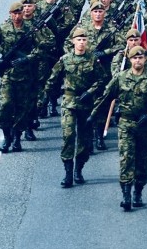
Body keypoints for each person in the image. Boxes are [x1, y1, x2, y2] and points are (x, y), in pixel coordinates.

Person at [90, 45, 147, 211]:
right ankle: (126, 195)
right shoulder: (121, 78)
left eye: (141, 58)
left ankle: (138, 192)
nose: (138, 61)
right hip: (126, 123)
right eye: (135, 58)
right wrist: (94, 115)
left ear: (145, 59)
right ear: (130, 59)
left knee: (142, 161)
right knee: (126, 159)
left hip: (145, 125)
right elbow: (106, 97)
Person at [42, 27, 104, 188]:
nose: (81, 42)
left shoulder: (93, 60)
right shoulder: (65, 60)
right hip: (69, 101)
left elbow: (102, 79)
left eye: (84, 40)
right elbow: (52, 79)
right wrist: (44, 98)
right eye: (79, 40)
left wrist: (90, 92)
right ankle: (68, 172)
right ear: (73, 42)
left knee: (84, 138)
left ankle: (78, 169)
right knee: (68, 135)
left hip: (86, 103)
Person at [0, 2, 36, 153]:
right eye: (15, 13)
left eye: (19, 13)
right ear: (10, 14)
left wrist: (27, 58)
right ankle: (7, 137)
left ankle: (17, 139)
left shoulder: (30, 30)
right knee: (6, 105)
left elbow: (41, 48)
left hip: (25, 76)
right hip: (7, 75)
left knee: (21, 109)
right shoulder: (2, 30)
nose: (17, 16)